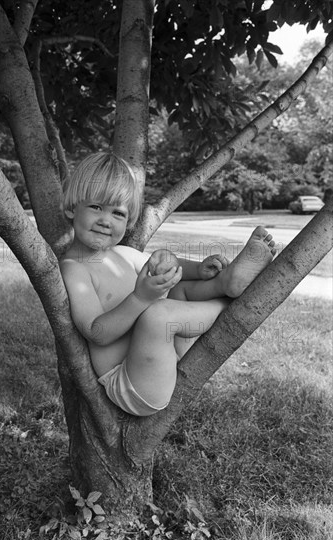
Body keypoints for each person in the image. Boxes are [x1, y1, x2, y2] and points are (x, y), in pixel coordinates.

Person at [60, 152, 277, 416]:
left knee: (179, 289)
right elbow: (97, 332)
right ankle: (226, 302)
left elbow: (165, 268)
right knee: (158, 313)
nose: (106, 220)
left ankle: (224, 282)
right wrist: (141, 298)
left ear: (128, 222)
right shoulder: (74, 269)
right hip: (132, 383)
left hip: (165, 353)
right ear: (72, 208)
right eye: (96, 207)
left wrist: (198, 268)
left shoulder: (122, 255)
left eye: (117, 213)